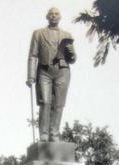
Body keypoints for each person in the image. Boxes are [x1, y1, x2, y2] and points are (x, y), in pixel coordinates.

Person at [26, 7, 76, 142]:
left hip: (62, 71)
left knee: (59, 104)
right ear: (47, 17)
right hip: (44, 71)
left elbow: (72, 60)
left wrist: (72, 53)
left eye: (56, 14)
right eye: (51, 14)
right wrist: (30, 76)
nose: (54, 16)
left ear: (60, 17)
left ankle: (54, 133)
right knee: (45, 102)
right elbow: (33, 55)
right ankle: (44, 133)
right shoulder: (38, 33)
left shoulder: (67, 35)